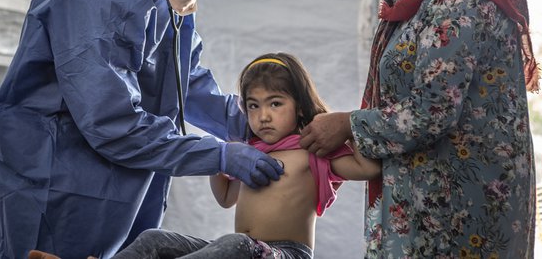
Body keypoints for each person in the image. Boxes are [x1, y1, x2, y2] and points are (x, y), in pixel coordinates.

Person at [0, 0, 284, 259]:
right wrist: (219, 156)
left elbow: (181, 80)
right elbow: (113, 123)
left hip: (123, 190)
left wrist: (245, 119)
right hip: (57, 187)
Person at [299, 0, 540, 258]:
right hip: (438, 205)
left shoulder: (459, 3)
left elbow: (431, 112)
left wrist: (347, 124)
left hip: (458, 217)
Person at [54, 52, 377, 259]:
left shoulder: (312, 151)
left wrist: (347, 125)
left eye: (275, 104)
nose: (263, 116)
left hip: (286, 254)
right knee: (155, 239)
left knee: (235, 243)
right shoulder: (252, 152)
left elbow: (367, 167)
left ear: (301, 107)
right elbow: (226, 198)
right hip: (240, 251)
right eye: (253, 106)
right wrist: (219, 159)